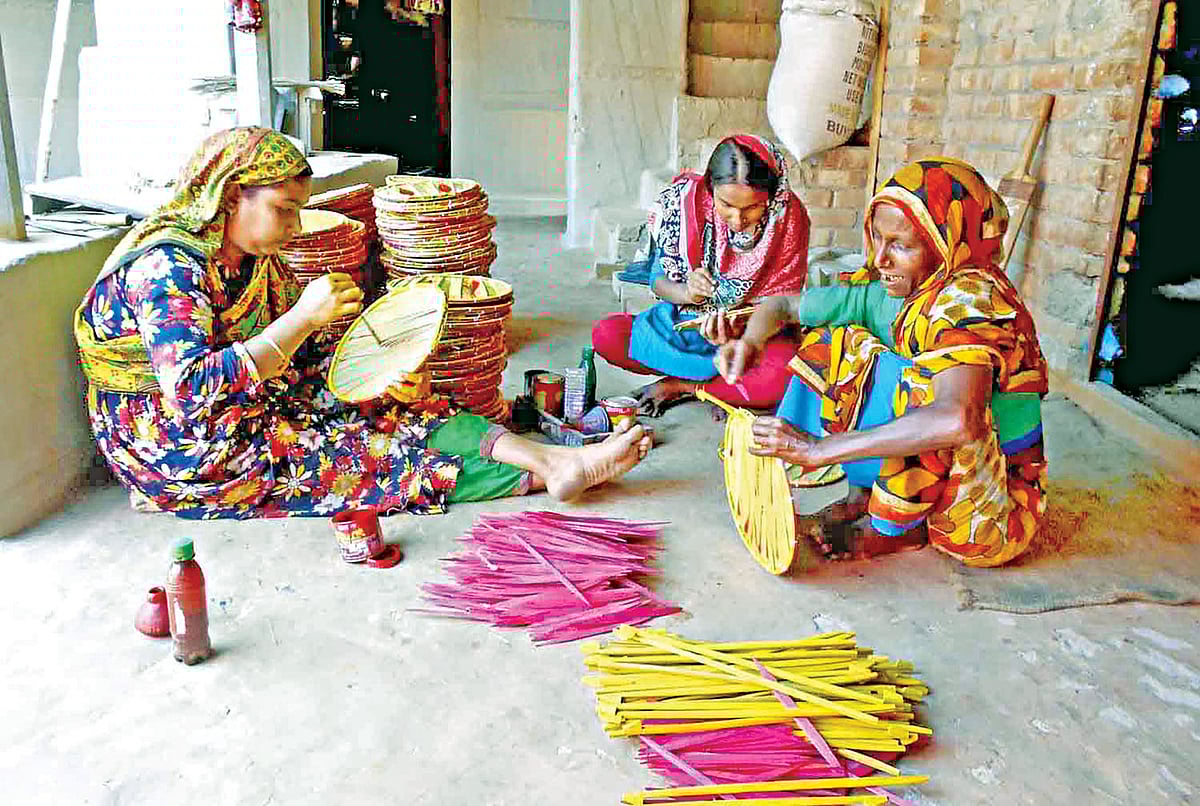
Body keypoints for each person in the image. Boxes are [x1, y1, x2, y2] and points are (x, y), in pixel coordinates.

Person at [74, 127, 652, 519]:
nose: (295, 227)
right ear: (229, 197)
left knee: (401, 403)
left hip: (248, 396)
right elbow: (194, 390)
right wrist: (304, 319)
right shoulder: (167, 267)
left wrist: (373, 372)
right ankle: (535, 473)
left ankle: (551, 460)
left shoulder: (250, 258)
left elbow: (299, 358)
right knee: (352, 454)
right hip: (178, 443)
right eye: (283, 210)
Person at [717, 157, 1049, 567]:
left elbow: (958, 420)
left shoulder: (971, 301)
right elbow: (783, 306)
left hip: (989, 507)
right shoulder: (892, 288)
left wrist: (822, 449)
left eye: (901, 245)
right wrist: (749, 343)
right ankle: (867, 496)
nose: (879, 259)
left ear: (943, 243)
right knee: (838, 341)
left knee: (925, 385)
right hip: (948, 476)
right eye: (877, 238)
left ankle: (898, 528)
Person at [591, 135, 810, 415]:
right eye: (726, 204)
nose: (737, 219)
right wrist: (688, 293)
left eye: (752, 207)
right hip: (691, 325)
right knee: (608, 335)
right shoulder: (684, 207)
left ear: (772, 195)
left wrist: (745, 342)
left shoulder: (788, 217)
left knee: (786, 376)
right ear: (710, 188)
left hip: (756, 333)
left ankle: (683, 387)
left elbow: (783, 300)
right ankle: (727, 390)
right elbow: (658, 281)